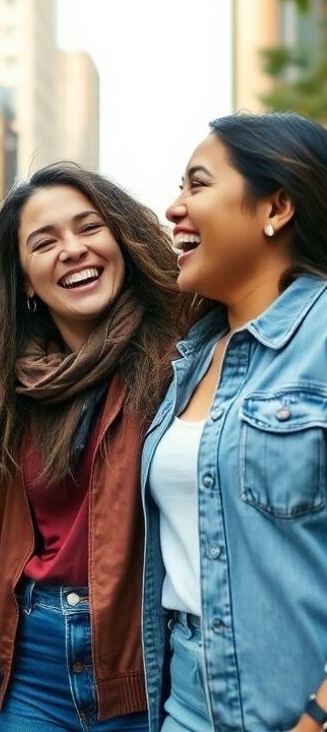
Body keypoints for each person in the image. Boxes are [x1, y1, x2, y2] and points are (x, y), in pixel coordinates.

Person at [0, 163, 179, 731]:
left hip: (146, 657)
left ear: (121, 239)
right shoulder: (6, 383)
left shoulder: (182, 356)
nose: (73, 249)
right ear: (23, 280)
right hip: (33, 664)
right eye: (45, 242)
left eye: (89, 228)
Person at [142, 112, 327, 732]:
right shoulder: (193, 355)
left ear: (276, 207)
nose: (174, 207)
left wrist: (318, 715)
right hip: (188, 699)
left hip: (296, 704)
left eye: (197, 184)